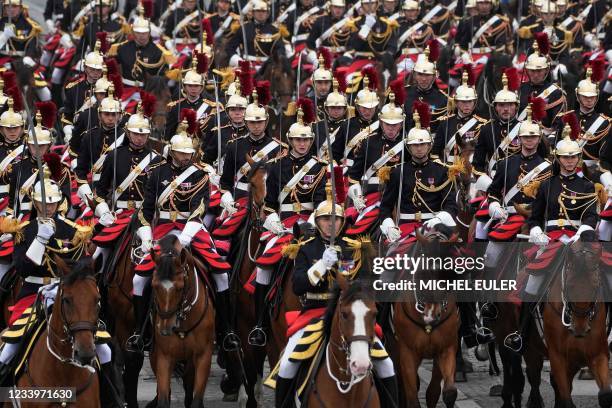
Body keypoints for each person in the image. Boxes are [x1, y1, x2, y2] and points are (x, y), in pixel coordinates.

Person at [274, 183, 398, 408]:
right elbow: (298, 286)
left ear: (343, 222)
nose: (331, 224)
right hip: (314, 313)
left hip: (351, 314)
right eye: (325, 219)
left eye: (336, 219)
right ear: (317, 222)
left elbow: (366, 284)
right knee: (287, 365)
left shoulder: (355, 248)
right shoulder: (306, 248)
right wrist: (321, 265)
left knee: (386, 364)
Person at [129, 119, 237, 352]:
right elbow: (146, 210)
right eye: (181, 153)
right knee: (139, 279)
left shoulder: (199, 175)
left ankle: (226, 329)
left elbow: (199, 209)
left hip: (192, 230)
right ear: (172, 152)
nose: (185, 157)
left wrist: (184, 239)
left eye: (189, 153)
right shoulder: (157, 173)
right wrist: (147, 236)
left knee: (221, 275)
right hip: (163, 229)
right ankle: (140, 331)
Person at [504, 126, 598, 353]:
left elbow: (591, 216)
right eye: (565, 157)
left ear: (578, 158)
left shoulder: (588, 185)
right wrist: (536, 232)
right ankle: (522, 333)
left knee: (605, 275)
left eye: (573, 157)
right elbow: (536, 217)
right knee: (532, 282)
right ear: (558, 158)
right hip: (551, 239)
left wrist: (580, 234)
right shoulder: (547, 185)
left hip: (579, 239)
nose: (569, 161)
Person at [249, 108, 327, 347]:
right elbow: (270, 202)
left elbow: (323, 201)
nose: (302, 144)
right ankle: (260, 324)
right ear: (290, 141)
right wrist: (271, 219)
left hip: (312, 223)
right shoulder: (276, 166)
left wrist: (312, 222)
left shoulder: (320, 167)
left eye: (306, 140)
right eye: (297, 140)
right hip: (282, 225)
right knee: (263, 269)